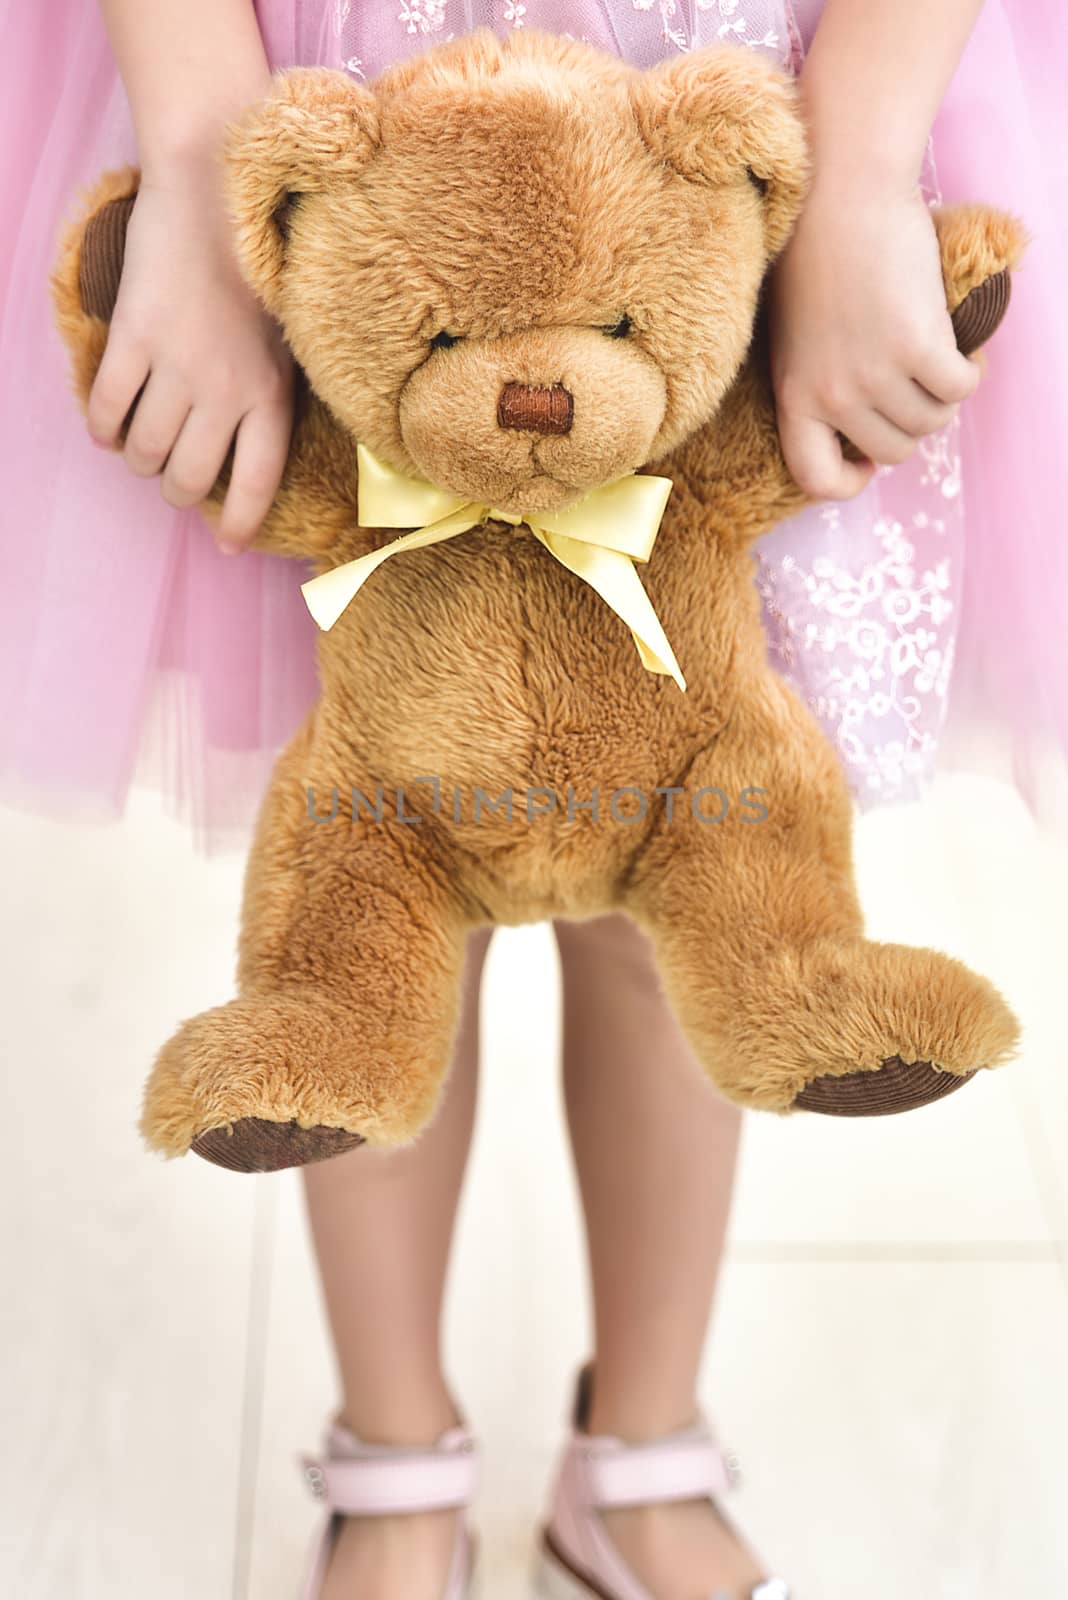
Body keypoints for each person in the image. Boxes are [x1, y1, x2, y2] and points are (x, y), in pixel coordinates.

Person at [3, 2, 1064, 1595]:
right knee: (366, 882)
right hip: (310, 87)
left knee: (678, 853)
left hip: (752, 94)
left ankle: (642, 1437)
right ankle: (394, 1450)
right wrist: (202, 148)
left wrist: (860, 168)